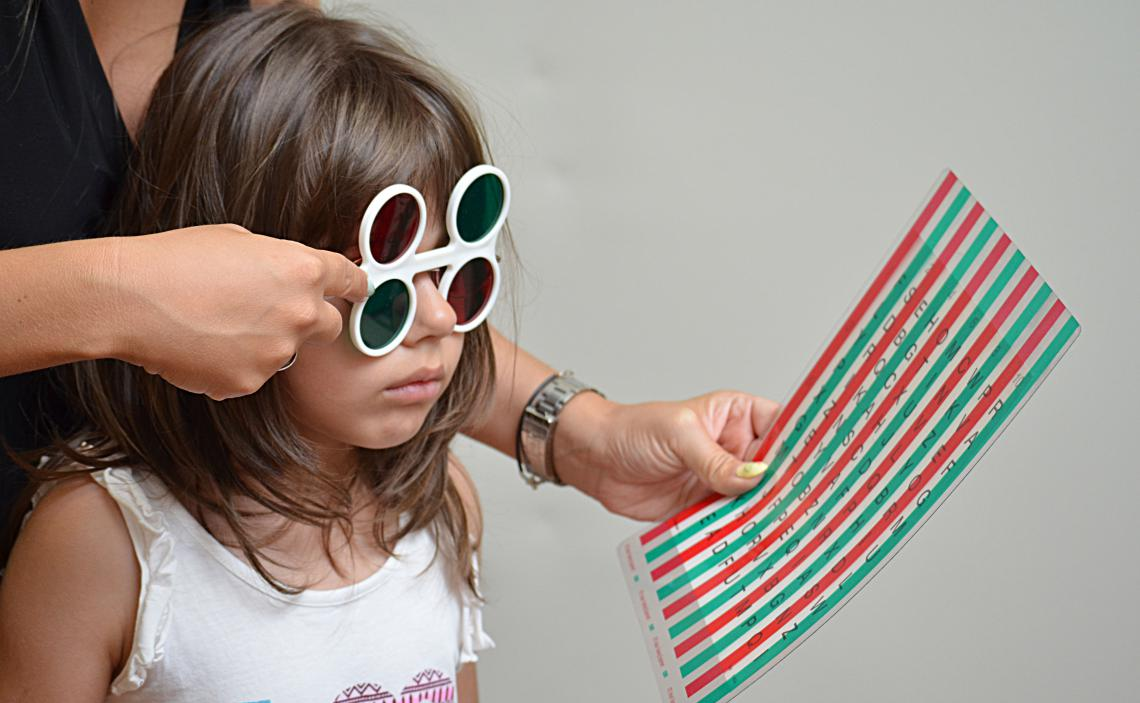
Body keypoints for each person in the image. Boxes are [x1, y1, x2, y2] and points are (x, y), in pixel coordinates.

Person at [0, 0, 779, 537]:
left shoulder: (437, 520)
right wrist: (123, 296)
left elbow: (346, 280)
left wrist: (584, 433)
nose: (438, 315)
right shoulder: (96, 551)